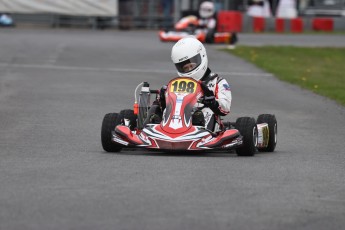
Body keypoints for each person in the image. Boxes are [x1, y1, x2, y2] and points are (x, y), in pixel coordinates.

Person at [149, 36, 232, 132]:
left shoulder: (217, 82)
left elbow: (225, 108)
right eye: (185, 68)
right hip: (178, 117)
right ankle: (151, 131)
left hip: (204, 122)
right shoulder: (178, 84)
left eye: (191, 66)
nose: (189, 70)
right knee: (156, 110)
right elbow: (165, 105)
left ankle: (204, 135)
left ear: (202, 56)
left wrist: (213, 102)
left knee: (206, 112)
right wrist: (162, 99)